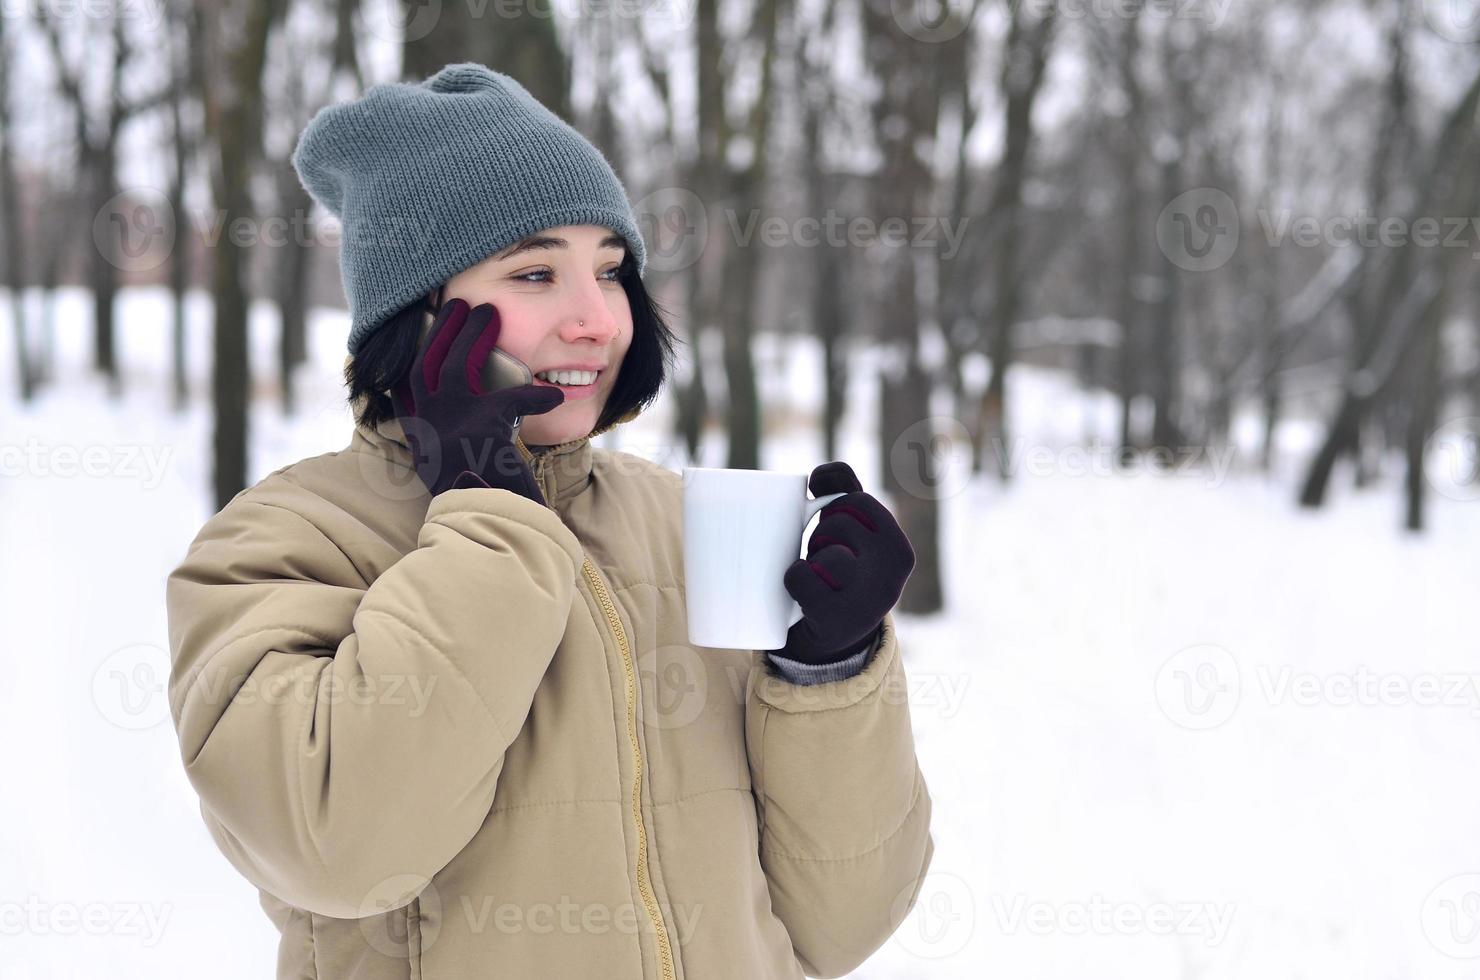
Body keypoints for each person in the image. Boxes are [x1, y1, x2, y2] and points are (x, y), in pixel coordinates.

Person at [164, 62, 933, 980]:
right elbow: (341, 849)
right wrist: (489, 519)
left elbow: (840, 924)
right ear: (418, 316)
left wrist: (829, 670)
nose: (597, 320)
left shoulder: (681, 526)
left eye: (611, 272)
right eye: (535, 272)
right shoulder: (283, 543)